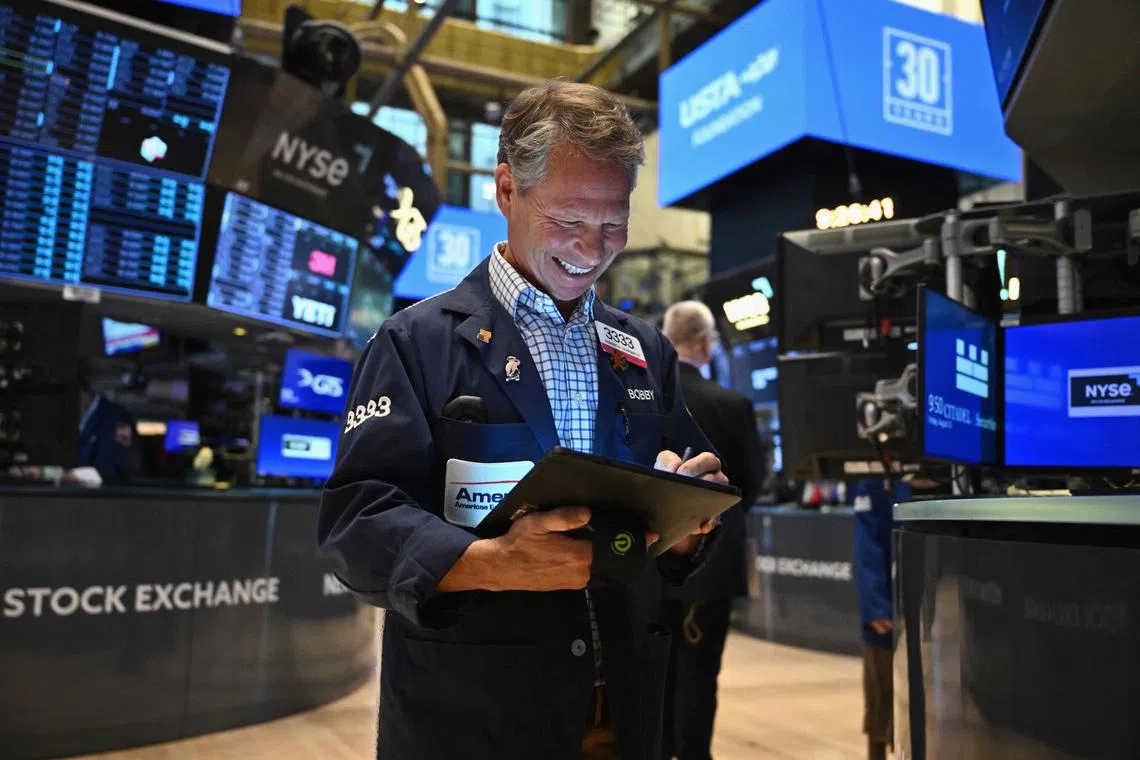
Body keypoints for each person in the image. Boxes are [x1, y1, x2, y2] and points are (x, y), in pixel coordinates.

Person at [319, 81, 731, 760]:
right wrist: (493, 563)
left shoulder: (645, 351)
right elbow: (357, 522)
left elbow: (690, 502)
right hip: (474, 717)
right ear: (506, 190)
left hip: (626, 713)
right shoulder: (415, 343)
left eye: (614, 223)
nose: (593, 248)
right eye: (569, 219)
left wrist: (690, 522)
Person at [660, 301, 764, 760]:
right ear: (704, 342)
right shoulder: (733, 405)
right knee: (700, 680)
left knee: (651, 677)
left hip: (647, 561)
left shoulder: (642, 395)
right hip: (713, 569)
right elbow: (751, 486)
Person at [852, 477, 910, 760]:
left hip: (929, 610)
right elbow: (866, 547)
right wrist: (877, 608)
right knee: (880, 704)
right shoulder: (874, 480)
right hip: (885, 617)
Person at [75, 362, 139, 486]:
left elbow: (112, 468)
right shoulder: (69, 421)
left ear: (83, 392)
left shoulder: (117, 418)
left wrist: (70, 476)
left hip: (107, 498)